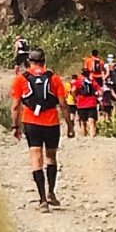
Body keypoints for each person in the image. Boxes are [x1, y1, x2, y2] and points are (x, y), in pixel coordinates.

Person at [10, 47, 69, 208]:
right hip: (51, 123)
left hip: (31, 122)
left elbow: (16, 106)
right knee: (51, 157)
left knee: (36, 158)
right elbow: (63, 104)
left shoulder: (20, 79)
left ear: (29, 62)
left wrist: (15, 126)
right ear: (44, 61)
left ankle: (42, 199)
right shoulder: (54, 79)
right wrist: (70, 125)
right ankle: (51, 192)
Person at [71, 63, 101, 138]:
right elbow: (99, 90)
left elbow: (73, 90)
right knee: (91, 121)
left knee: (83, 121)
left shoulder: (78, 82)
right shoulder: (92, 81)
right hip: (91, 103)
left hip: (81, 104)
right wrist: (97, 95)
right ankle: (91, 136)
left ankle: (84, 136)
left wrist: (75, 98)